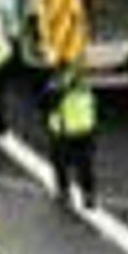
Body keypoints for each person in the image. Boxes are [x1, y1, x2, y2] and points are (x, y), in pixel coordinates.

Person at [44, 67, 98, 210]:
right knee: (85, 165)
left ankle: (64, 192)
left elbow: (47, 105)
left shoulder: (56, 89)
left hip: (64, 132)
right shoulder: (85, 87)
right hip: (86, 129)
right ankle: (89, 195)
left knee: (60, 163)